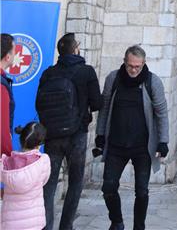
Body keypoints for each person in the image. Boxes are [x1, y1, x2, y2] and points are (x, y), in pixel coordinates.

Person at [95, 45, 169, 230]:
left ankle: (139, 226)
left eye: (137, 66)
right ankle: (117, 222)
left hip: (142, 147)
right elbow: (104, 108)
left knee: (142, 191)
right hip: (116, 145)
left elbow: (161, 113)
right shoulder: (113, 79)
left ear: (143, 64)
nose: (133, 70)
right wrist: (100, 135)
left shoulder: (153, 82)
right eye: (130, 66)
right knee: (109, 188)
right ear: (124, 62)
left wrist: (163, 141)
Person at [37, 32, 102, 230]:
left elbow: (39, 104)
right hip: (77, 135)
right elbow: (97, 103)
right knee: (75, 182)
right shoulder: (86, 71)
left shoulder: (49, 73)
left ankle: (47, 226)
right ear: (75, 49)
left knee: (49, 185)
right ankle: (66, 226)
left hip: (52, 136)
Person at [0, 122, 50, 230]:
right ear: (39, 145)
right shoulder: (43, 162)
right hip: (34, 222)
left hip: (10, 224)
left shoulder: (6, 163)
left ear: (20, 140)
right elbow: (44, 180)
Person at [0, 33, 15, 155]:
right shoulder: (1, 87)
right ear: (8, 57)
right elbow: (2, 130)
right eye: (14, 51)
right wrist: (6, 157)